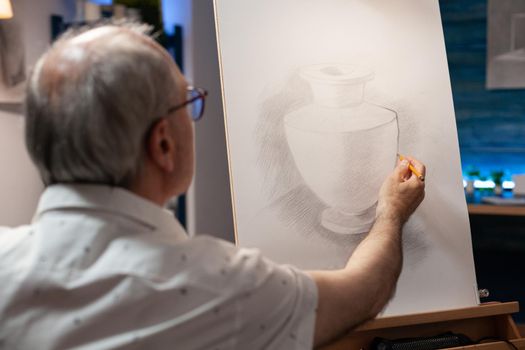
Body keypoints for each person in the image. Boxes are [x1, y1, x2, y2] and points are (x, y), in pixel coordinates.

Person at [0, 23, 425, 349]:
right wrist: (391, 212)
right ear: (163, 143)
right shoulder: (218, 286)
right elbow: (364, 292)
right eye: (188, 102)